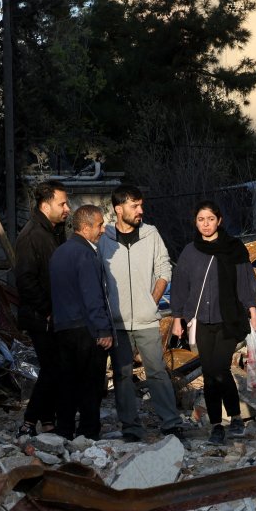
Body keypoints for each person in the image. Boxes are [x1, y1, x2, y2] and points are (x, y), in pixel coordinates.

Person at [99, 184, 187, 440]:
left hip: (147, 320)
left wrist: (152, 300)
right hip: (117, 323)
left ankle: (171, 423)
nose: (140, 210)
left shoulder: (151, 233)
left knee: (157, 372)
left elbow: (164, 269)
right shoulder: (103, 237)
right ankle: (131, 428)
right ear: (118, 208)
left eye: (141, 205)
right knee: (123, 376)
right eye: (134, 206)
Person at [170, 202, 256, 446]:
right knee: (211, 375)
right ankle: (218, 426)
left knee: (219, 368)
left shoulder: (234, 248)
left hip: (229, 319)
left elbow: (245, 280)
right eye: (201, 219)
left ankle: (235, 416)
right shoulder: (190, 252)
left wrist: (252, 310)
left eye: (210, 219)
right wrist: (177, 318)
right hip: (201, 321)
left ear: (219, 220)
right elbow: (179, 286)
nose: (206, 224)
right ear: (195, 222)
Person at [49, 205, 114, 440]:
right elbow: (92, 295)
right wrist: (103, 329)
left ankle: (64, 429)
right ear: (85, 227)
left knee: (67, 382)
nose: (103, 230)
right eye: (99, 225)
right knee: (90, 383)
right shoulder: (86, 254)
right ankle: (88, 432)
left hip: (63, 328)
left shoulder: (60, 252)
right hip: (84, 329)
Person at [12, 181, 69, 437]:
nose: (67, 208)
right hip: (41, 316)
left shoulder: (54, 231)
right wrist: (47, 310)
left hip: (53, 314)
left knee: (54, 367)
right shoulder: (32, 235)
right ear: (46, 206)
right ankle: (29, 421)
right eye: (62, 203)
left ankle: (48, 419)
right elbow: (25, 279)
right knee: (53, 368)